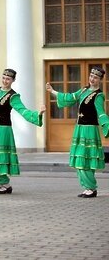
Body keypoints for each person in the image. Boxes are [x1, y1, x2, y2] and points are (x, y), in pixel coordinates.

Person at [46, 66, 108, 198]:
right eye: (91, 76)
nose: (92, 79)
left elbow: (101, 113)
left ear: (100, 80)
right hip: (79, 128)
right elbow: (70, 97)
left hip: (90, 130)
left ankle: (91, 188)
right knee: (81, 159)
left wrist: (106, 125)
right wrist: (53, 91)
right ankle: (88, 187)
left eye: (95, 77)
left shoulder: (99, 96)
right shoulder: (84, 90)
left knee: (86, 158)